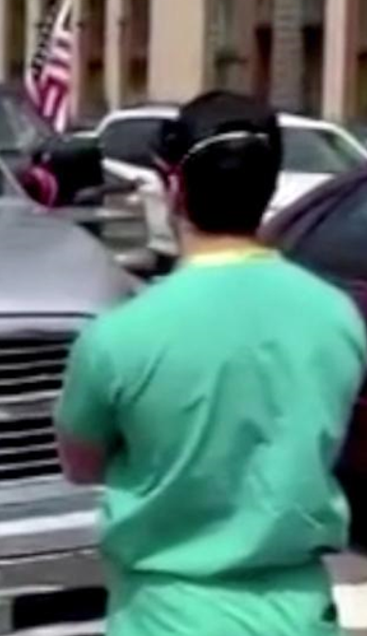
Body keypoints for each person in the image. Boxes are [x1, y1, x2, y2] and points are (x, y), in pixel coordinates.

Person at [55, 90, 367, 636]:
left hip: (165, 614)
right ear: (269, 183)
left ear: (174, 186)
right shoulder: (337, 318)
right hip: (297, 611)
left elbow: (83, 462)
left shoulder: (119, 336)